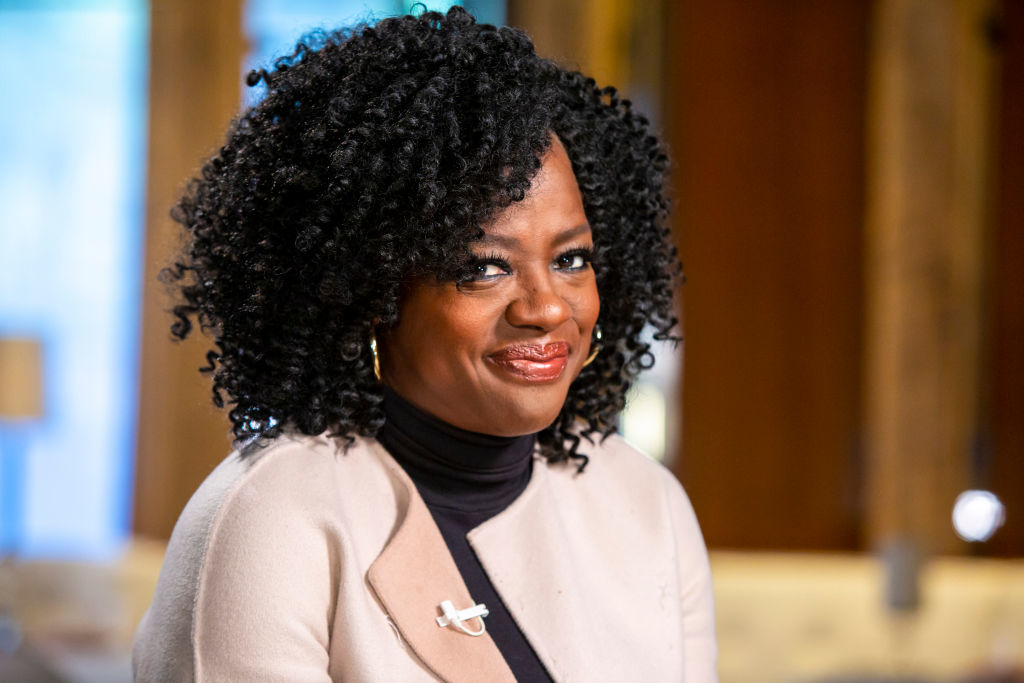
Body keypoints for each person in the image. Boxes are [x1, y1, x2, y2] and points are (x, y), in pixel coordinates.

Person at [132, 6, 716, 682]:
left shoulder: (646, 504)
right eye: (483, 267)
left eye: (571, 258)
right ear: (370, 290)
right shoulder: (271, 520)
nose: (548, 306)